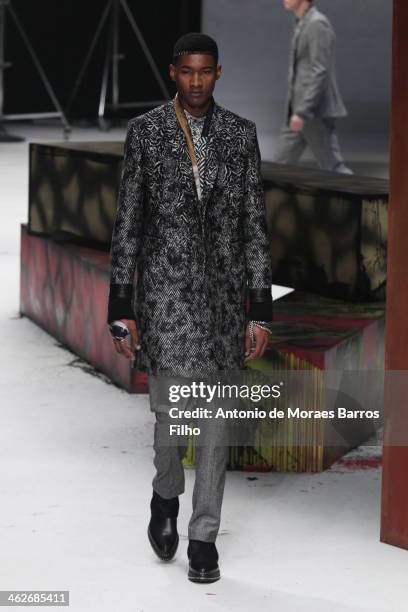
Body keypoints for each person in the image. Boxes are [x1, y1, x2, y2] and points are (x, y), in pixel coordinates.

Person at [107, 32, 273, 583]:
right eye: (188, 72)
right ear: (172, 72)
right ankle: (165, 494)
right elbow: (128, 221)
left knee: (217, 419)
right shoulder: (147, 133)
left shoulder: (240, 135)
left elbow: (255, 226)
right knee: (171, 419)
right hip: (167, 297)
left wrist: (260, 307)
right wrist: (122, 304)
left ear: (218, 73)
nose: (197, 81)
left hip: (224, 303)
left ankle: (204, 535)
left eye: (206, 72)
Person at [275, 0, 353, 174]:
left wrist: (303, 111)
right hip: (298, 113)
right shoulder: (303, 23)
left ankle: (367, 201)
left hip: (312, 113)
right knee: (280, 166)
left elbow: (320, 71)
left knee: (334, 168)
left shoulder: (317, 23)